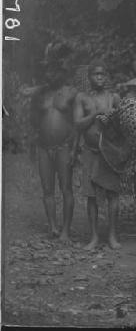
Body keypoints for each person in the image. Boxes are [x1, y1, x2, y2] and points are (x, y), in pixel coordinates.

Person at [23, 53, 79, 242]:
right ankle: (53, 227)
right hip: (44, 147)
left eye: (54, 71)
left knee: (66, 188)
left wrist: (73, 147)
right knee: (47, 189)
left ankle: (66, 231)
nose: (50, 75)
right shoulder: (40, 94)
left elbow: (77, 121)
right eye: (47, 72)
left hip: (64, 146)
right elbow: (34, 121)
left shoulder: (71, 92)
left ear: (62, 73)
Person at [73, 60, 122, 250]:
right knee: (91, 195)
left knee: (113, 194)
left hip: (109, 152)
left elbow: (123, 126)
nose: (99, 78)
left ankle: (112, 236)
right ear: (90, 77)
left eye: (102, 74)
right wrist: (95, 114)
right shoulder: (82, 98)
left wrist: (111, 119)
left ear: (107, 77)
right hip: (90, 152)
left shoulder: (114, 98)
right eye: (96, 74)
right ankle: (93, 237)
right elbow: (77, 124)